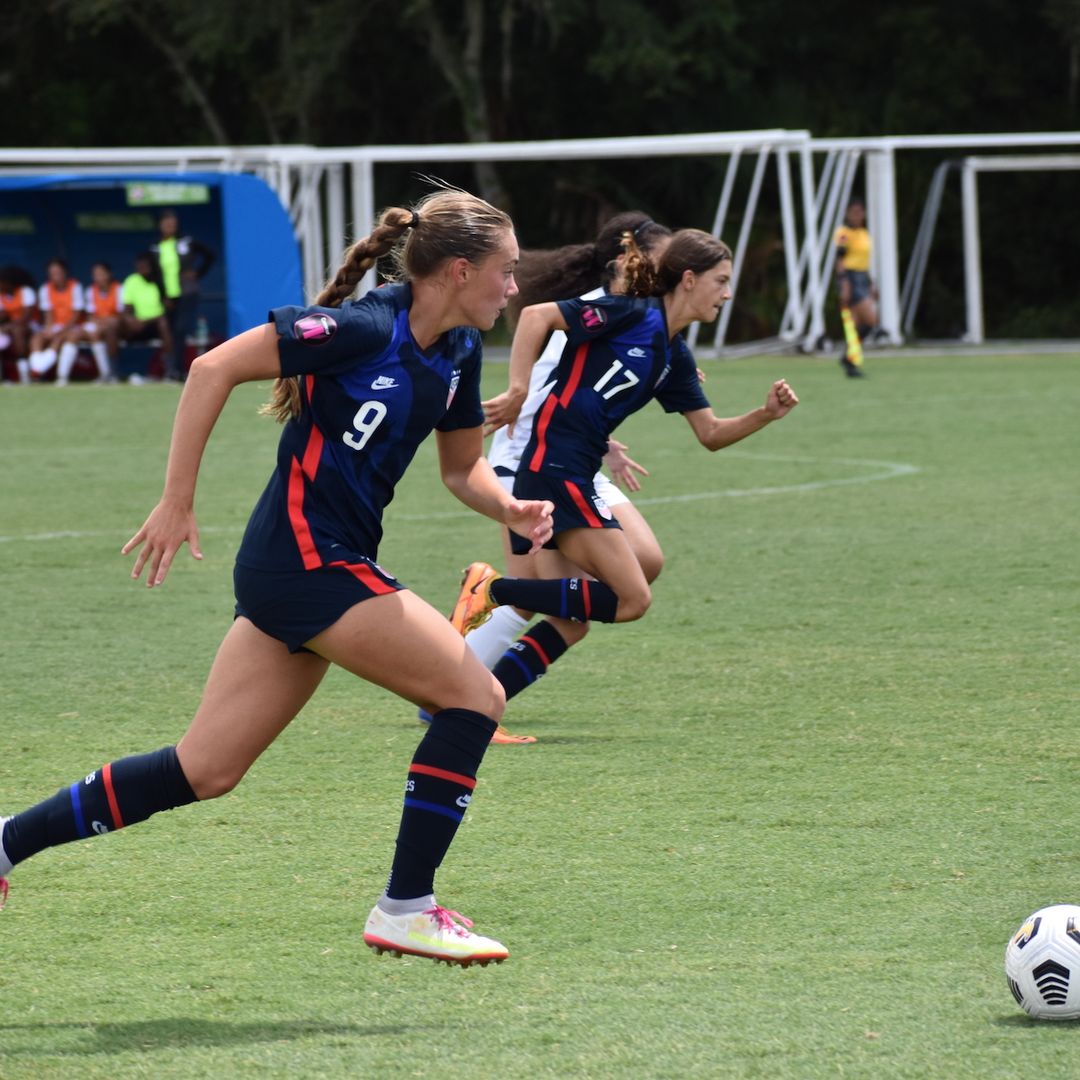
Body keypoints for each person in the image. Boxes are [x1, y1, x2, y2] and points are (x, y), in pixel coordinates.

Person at [0, 188, 555, 967]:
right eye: (506, 271)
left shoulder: (458, 353)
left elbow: (464, 472)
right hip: (306, 562)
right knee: (475, 697)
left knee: (206, 769)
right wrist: (176, 502)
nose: (514, 287)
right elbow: (210, 368)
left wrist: (515, 508)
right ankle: (407, 906)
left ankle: (4, 842)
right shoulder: (362, 328)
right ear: (460, 271)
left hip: (308, 569)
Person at [446, 228, 800, 719]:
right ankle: (492, 589)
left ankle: (480, 705)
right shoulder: (630, 314)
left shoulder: (674, 356)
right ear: (690, 280)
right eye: (721, 281)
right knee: (632, 599)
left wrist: (765, 414)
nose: (728, 293)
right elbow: (535, 315)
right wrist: (519, 390)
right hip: (556, 470)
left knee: (572, 617)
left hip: (567, 471)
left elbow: (711, 433)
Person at [442, 211, 674, 744]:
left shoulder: (635, 321)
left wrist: (609, 441)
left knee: (639, 567)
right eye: (662, 264)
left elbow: (585, 392)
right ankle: (465, 703)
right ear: (628, 264)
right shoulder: (596, 314)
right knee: (554, 606)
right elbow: (551, 381)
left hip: (577, 466)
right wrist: (518, 391)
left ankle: (475, 686)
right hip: (529, 466)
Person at [151, 208, 216, 382]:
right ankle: (172, 369)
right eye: (166, 223)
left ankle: (179, 371)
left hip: (187, 293)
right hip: (168, 297)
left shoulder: (186, 241)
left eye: (173, 223)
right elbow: (156, 275)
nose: (170, 226)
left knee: (181, 330)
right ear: (160, 225)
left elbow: (210, 255)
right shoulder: (156, 247)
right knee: (170, 333)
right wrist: (163, 296)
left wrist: (197, 273)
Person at [56, 261, 123, 384]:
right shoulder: (91, 290)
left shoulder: (118, 289)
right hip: (95, 325)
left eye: (102, 274)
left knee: (97, 332)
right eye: (96, 275)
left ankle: (106, 373)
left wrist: (103, 322)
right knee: (73, 335)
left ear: (109, 274)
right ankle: (62, 377)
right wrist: (97, 322)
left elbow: (120, 314)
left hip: (113, 327)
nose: (99, 278)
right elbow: (90, 315)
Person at [834, 198, 877, 377]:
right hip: (850, 278)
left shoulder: (864, 234)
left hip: (862, 277)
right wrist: (844, 282)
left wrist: (871, 283)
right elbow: (840, 259)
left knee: (856, 325)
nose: (857, 216)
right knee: (871, 321)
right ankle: (848, 358)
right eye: (854, 212)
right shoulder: (844, 232)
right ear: (847, 213)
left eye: (860, 212)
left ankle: (850, 362)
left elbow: (864, 262)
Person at [26, 259, 84, 381]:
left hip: (73, 327)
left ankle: (61, 376)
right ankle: (36, 369)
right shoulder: (45, 289)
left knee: (62, 339)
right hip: (55, 326)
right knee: (37, 338)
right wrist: (49, 329)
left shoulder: (75, 286)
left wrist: (62, 331)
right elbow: (48, 314)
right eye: (52, 273)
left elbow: (77, 315)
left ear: (65, 273)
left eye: (58, 273)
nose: (55, 276)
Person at [120, 252, 174, 382]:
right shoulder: (131, 281)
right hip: (136, 326)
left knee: (163, 323)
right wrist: (132, 321)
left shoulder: (161, 282)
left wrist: (146, 321)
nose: (142, 271)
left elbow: (168, 310)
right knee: (114, 324)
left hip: (155, 324)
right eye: (139, 268)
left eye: (145, 268)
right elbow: (126, 310)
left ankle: (170, 372)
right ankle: (112, 374)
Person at [0, 265, 38, 384]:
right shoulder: (2, 295)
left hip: (32, 326)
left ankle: (24, 375)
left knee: (18, 331)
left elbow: (26, 317)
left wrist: (9, 326)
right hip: (11, 328)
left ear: (8, 282)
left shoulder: (26, 291)